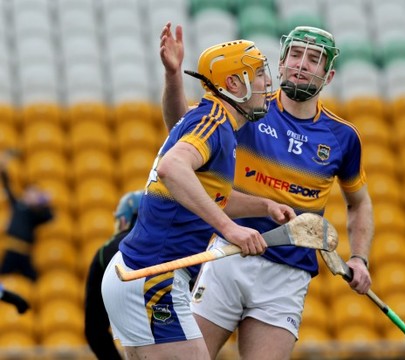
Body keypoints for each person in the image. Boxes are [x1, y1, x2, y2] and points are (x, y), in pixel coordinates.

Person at [161, 24, 375, 359]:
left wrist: (359, 258)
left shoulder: (342, 137)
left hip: (288, 273)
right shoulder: (248, 106)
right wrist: (173, 76)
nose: (302, 64)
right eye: (296, 54)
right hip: (228, 255)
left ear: (328, 76)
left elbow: (359, 204)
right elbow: (181, 126)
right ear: (282, 60)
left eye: (314, 59)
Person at [101, 32, 295, 360]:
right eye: (259, 73)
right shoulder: (213, 122)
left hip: (140, 273)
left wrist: (263, 206)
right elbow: (172, 168)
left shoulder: (209, 119)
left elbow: (205, 196)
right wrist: (229, 228)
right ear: (234, 84)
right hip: (153, 276)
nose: (267, 82)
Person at [84, 190, 143, 360]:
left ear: (123, 220)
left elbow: (94, 329)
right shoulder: (177, 243)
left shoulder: (105, 252)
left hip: (139, 344)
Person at [0, 150, 54, 281]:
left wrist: (43, 203)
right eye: (30, 192)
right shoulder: (18, 204)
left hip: (25, 252)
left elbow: (50, 217)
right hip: (12, 248)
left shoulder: (35, 213)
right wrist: (4, 168)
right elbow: (7, 185)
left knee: (33, 279)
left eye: (34, 193)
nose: (30, 195)